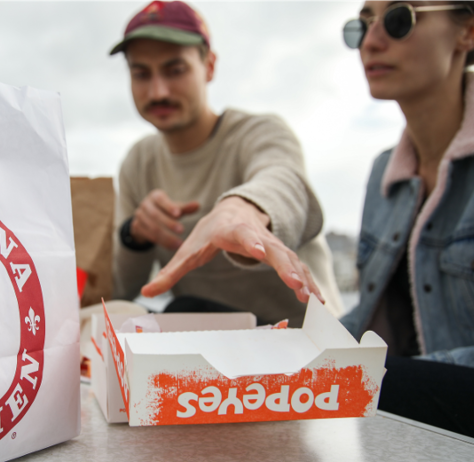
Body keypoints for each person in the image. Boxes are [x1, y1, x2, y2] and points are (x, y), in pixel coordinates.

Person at [110, 0, 343, 326]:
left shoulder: (258, 133)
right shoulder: (137, 163)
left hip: (306, 340)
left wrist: (242, 209)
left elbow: (284, 180)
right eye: (141, 74)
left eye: (175, 70)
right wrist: (134, 235)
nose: (158, 90)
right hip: (208, 346)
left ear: (210, 66)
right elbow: (122, 290)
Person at [338, 0, 474, 438]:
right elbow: (372, 314)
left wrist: (392, 374)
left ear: (470, 32)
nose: (372, 41)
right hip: (404, 407)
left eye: (400, 18)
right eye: (361, 24)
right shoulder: (385, 172)